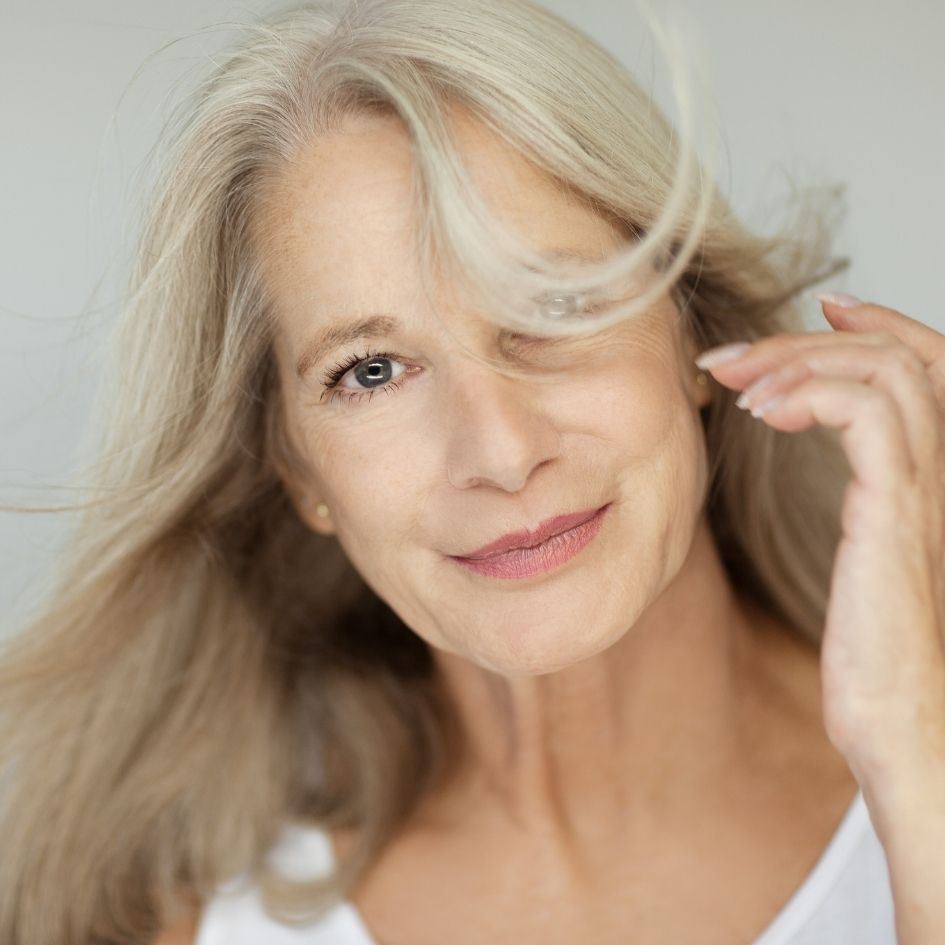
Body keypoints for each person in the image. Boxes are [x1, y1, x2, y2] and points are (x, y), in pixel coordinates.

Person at [3, 1, 944, 944]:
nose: (498, 450)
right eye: (369, 370)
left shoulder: (927, 766)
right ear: (297, 470)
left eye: (553, 304)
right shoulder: (163, 906)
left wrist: (919, 765)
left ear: (691, 327)